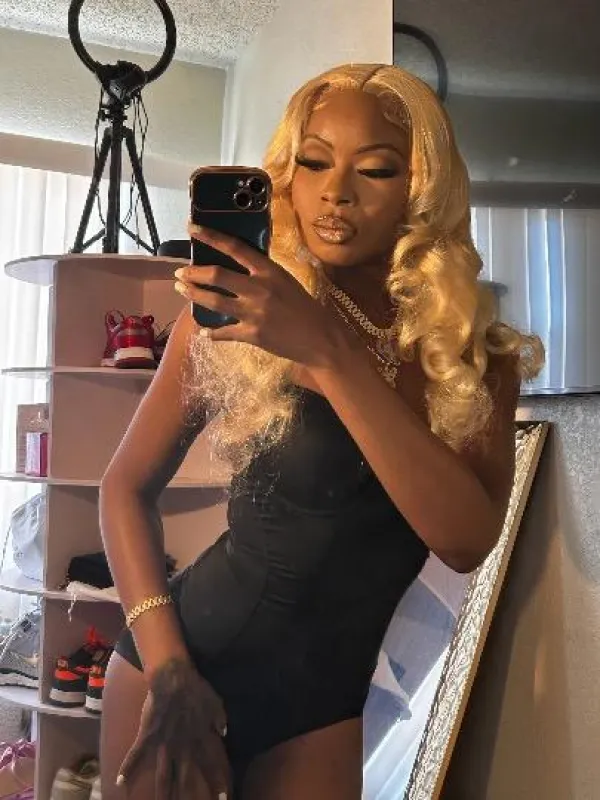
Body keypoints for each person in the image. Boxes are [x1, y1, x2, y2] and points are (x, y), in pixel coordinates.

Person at [98, 62, 543, 800]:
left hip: (323, 711)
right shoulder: (234, 315)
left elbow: (466, 540)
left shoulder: (475, 359)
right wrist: (168, 664)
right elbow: (124, 487)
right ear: (288, 176)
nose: (336, 192)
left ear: (421, 189)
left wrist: (329, 353)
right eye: (313, 162)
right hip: (181, 672)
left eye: (375, 169)